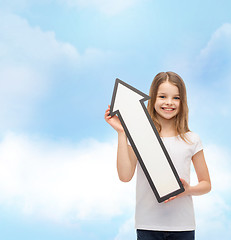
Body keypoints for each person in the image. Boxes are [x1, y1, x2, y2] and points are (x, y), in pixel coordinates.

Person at [104, 72, 211, 240]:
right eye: (162, 96)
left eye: (176, 98)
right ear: (153, 99)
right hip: (148, 225)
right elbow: (125, 176)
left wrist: (187, 190)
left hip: (183, 226)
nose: (169, 102)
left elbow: (206, 184)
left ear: (183, 102)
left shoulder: (192, 139)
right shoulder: (140, 137)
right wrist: (122, 132)